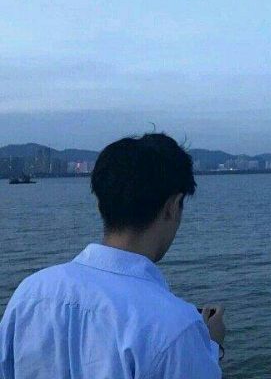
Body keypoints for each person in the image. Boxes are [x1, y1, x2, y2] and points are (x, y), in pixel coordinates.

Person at [0, 133, 225, 378]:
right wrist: (210, 346)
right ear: (172, 207)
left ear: (103, 200)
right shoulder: (176, 328)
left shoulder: (29, 294)